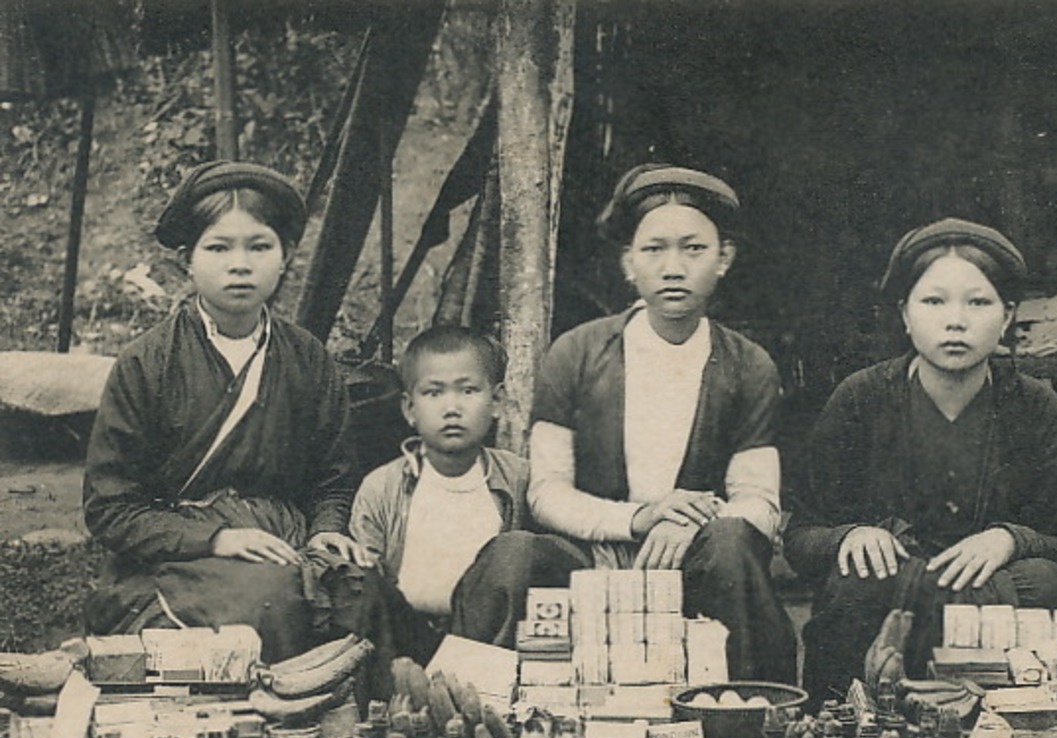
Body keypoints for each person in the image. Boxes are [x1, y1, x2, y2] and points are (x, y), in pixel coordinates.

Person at [460, 164, 797, 680]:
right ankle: (475, 716)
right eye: (654, 249)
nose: (673, 267)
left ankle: (745, 720)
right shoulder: (576, 352)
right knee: (513, 554)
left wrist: (696, 522)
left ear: (723, 258)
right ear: (628, 263)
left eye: (694, 248)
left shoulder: (747, 365)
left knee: (733, 543)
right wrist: (638, 520)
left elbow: (760, 502)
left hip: (695, 566)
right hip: (590, 560)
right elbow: (546, 493)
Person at [82, 160, 381, 665]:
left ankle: (362, 730)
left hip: (287, 544)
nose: (239, 265)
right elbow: (111, 509)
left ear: (285, 257)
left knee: (364, 593)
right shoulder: (147, 363)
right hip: (179, 558)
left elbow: (332, 479)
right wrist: (218, 538)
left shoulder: (308, 358)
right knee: (266, 599)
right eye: (218, 248)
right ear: (187, 261)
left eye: (259, 246)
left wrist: (328, 528)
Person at [785, 218, 1057, 703]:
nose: (956, 321)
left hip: (994, 601)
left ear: (1008, 315)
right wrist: (852, 535)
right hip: (890, 602)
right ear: (905, 314)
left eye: (978, 302)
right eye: (933, 301)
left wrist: (1010, 539)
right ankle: (851, 733)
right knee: (855, 578)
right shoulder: (861, 399)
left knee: (1046, 580)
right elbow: (801, 539)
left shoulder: (1034, 406)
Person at [348, 325, 532, 653]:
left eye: (468, 391)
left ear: (497, 402)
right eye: (434, 393)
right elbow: (367, 590)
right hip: (403, 640)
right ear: (409, 409)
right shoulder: (382, 488)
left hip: (490, 645)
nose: (452, 408)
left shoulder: (518, 479)